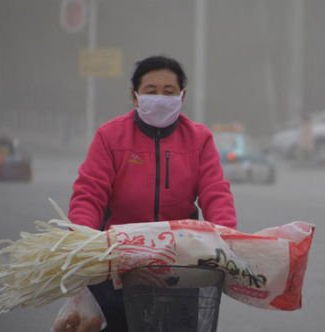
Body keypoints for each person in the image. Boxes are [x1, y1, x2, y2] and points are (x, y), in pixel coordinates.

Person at [54, 55, 237, 332]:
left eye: (169, 91)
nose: (160, 98)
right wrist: (81, 240)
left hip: (179, 265)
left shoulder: (199, 139)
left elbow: (216, 193)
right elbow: (89, 194)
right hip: (118, 264)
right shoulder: (111, 137)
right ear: (135, 96)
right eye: (151, 91)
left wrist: (226, 236)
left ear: (182, 96)